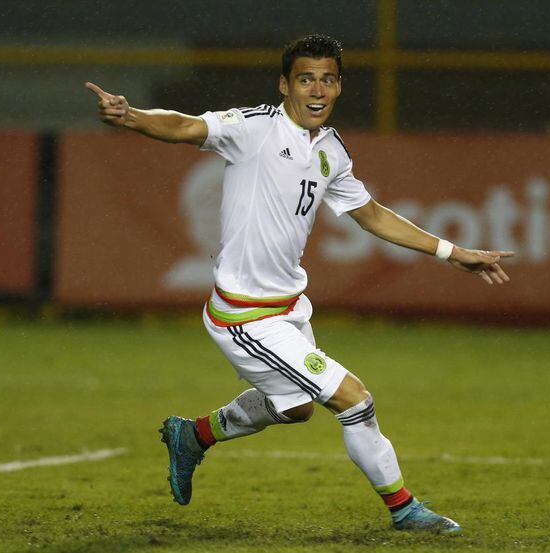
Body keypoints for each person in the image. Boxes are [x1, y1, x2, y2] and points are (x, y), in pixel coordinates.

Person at [86, 34, 514, 533]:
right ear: (284, 84)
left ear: (338, 87)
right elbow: (185, 126)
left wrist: (452, 252)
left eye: (327, 80)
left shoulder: (330, 149)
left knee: (295, 409)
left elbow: (371, 214)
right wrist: (132, 116)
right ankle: (405, 509)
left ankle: (193, 435)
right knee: (354, 398)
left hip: (289, 307)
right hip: (244, 316)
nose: (317, 90)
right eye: (306, 79)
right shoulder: (253, 129)